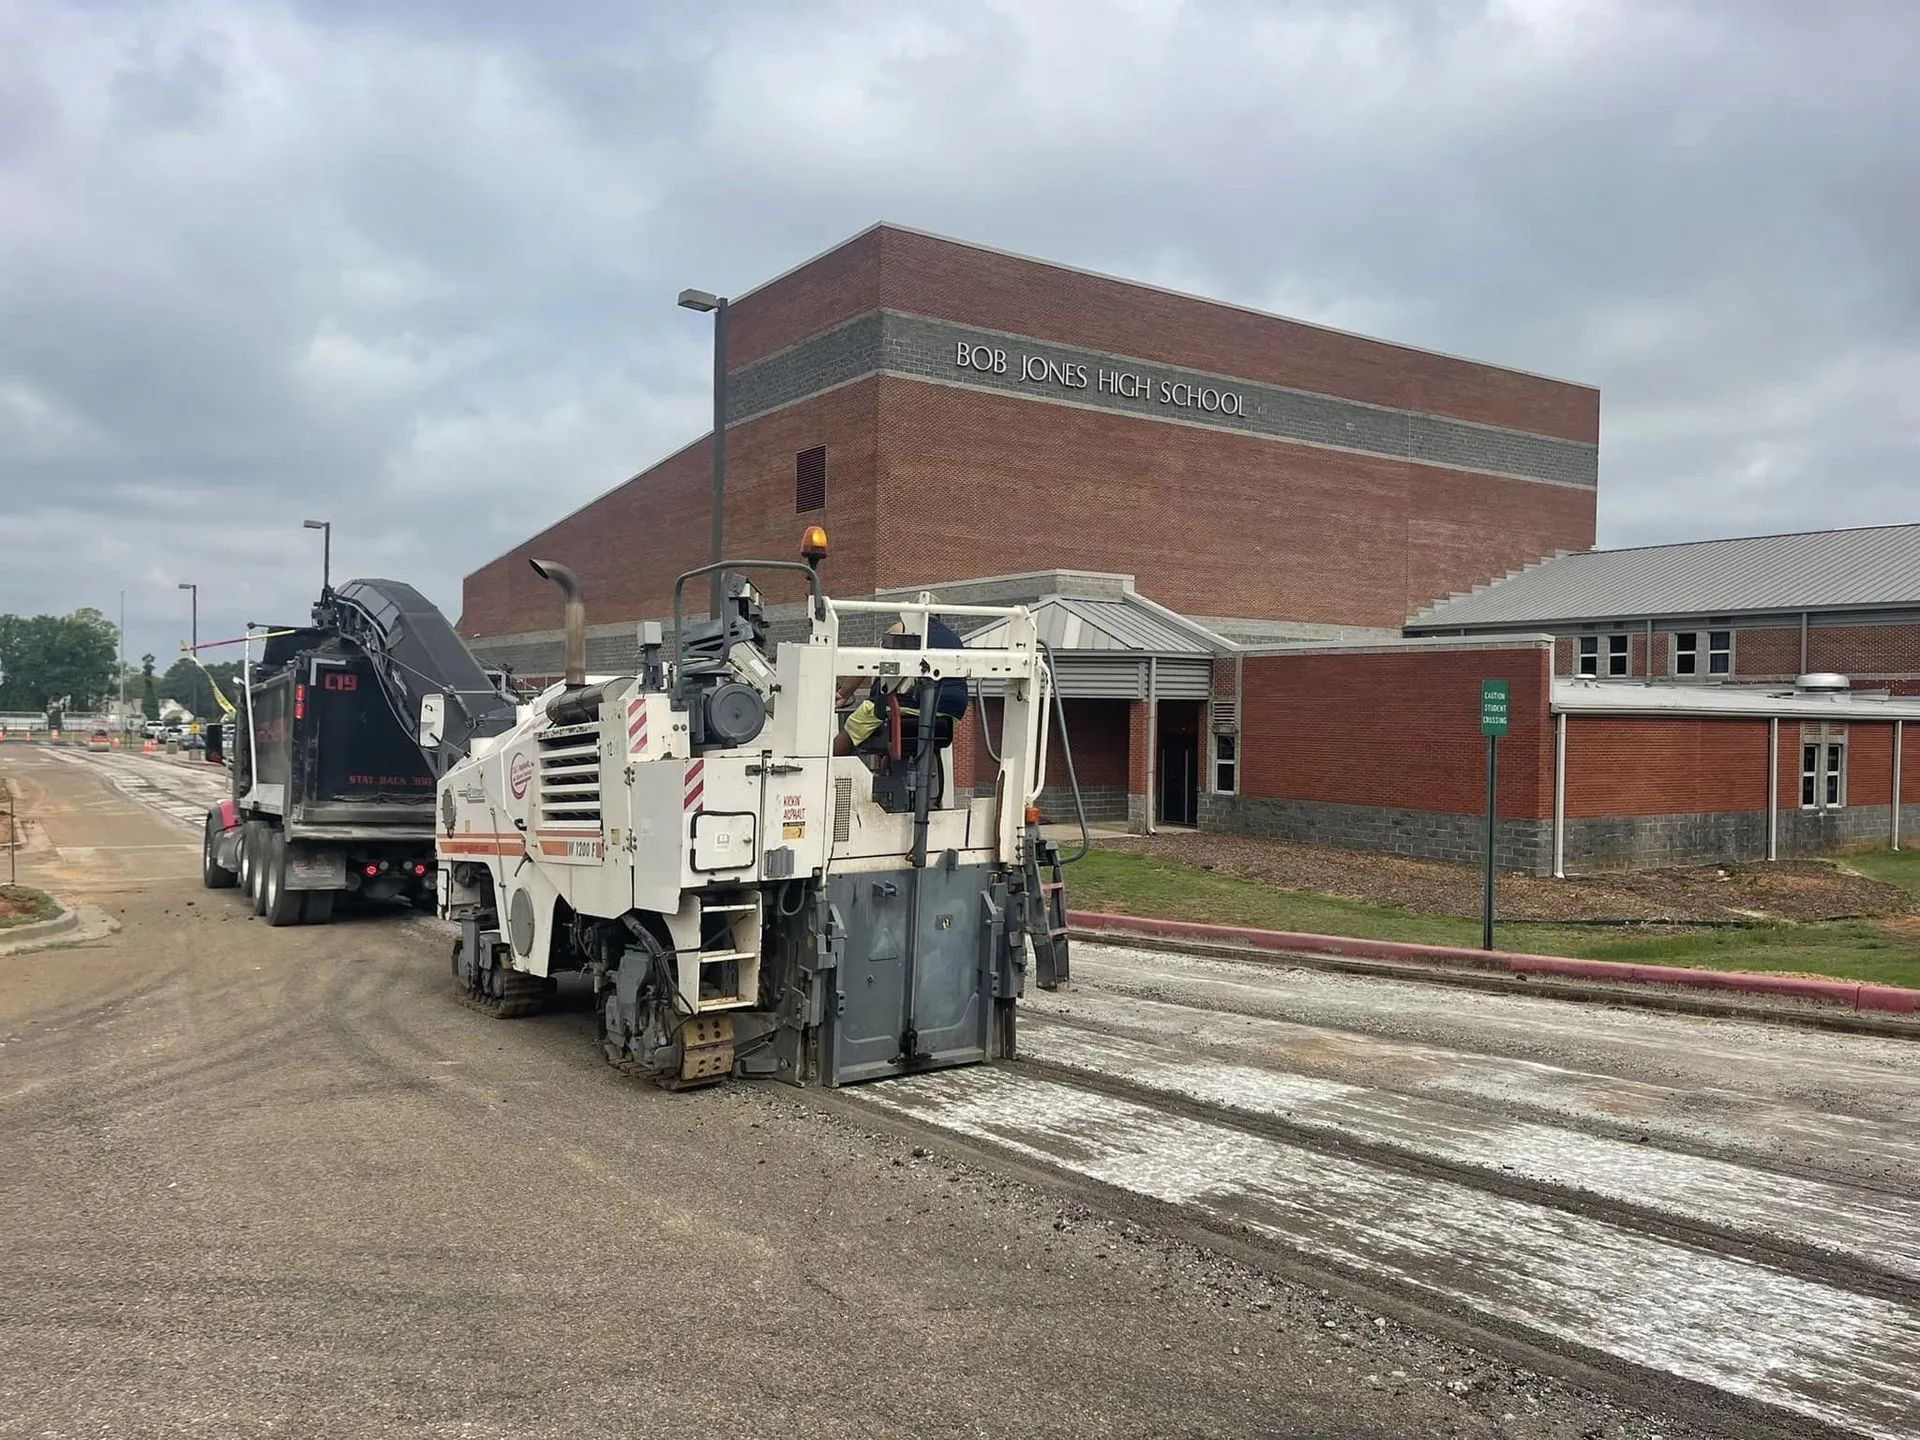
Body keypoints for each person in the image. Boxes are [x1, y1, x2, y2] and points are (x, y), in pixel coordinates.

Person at [834, 617, 969, 756]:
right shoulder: (954, 638)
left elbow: (869, 659)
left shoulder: (904, 627)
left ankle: (825, 769)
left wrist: (843, 694)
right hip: (952, 711)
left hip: (911, 703)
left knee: (851, 729)